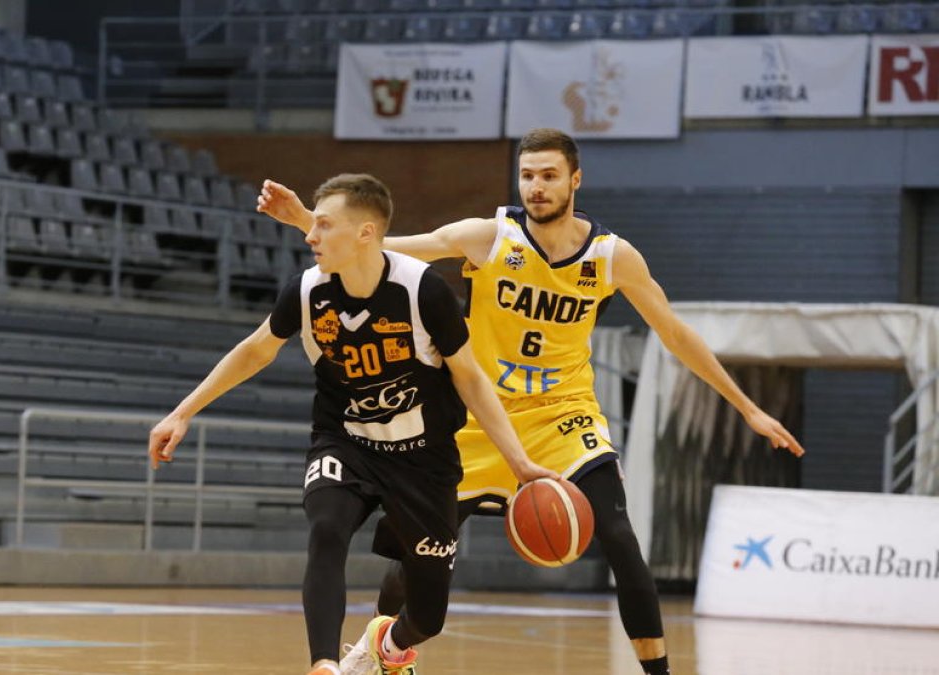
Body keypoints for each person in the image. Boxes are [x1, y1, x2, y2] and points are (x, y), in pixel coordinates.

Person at [257, 129, 805, 675]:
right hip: (478, 420)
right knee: (414, 560)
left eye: (548, 175)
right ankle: (384, 654)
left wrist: (746, 407)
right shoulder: (490, 237)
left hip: (563, 416)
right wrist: (310, 220)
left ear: (575, 180)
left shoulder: (614, 257)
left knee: (618, 536)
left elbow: (675, 333)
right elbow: (387, 248)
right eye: (527, 176)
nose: (536, 187)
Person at [149, 174, 556, 675]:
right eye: (312, 224)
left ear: (365, 233)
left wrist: (520, 462)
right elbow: (256, 349)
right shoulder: (307, 291)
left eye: (323, 225)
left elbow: (470, 379)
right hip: (346, 442)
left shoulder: (422, 291)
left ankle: (387, 643)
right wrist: (182, 411)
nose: (310, 235)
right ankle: (323, 663)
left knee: (427, 618)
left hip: (424, 458)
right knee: (326, 529)